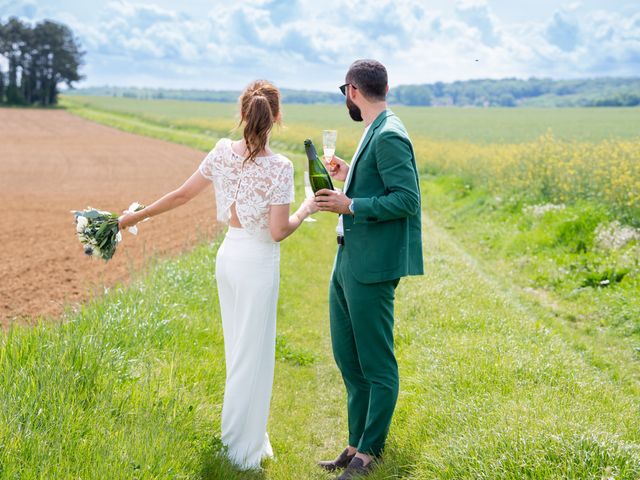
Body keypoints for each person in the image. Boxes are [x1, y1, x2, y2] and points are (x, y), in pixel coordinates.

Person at [118, 80, 317, 470]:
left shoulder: (221, 152)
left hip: (228, 257)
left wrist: (133, 217)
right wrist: (308, 207)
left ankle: (250, 438)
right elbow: (278, 231)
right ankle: (238, 450)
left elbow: (180, 195)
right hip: (257, 262)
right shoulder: (280, 167)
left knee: (238, 351)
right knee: (252, 353)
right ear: (276, 117)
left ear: (242, 113)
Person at [314, 59, 424, 479]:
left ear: (352, 91)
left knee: (377, 364)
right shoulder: (373, 130)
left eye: (345, 92)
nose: (346, 98)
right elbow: (378, 187)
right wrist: (348, 180)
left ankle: (371, 452)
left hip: (372, 267)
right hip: (348, 258)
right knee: (348, 359)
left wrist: (350, 204)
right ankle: (354, 443)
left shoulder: (391, 134)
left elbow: (406, 200)